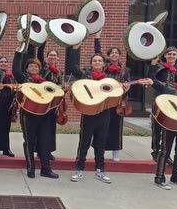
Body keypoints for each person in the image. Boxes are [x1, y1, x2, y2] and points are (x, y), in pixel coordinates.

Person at [66, 34, 113, 184]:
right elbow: (73, 66)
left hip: (104, 114)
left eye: (100, 60)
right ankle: (79, 169)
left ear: (104, 63)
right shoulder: (85, 75)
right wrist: (75, 48)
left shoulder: (110, 78)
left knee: (101, 144)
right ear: (91, 63)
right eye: (95, 60)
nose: (97, 62)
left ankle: (100, 170)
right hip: (88, 114)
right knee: (84, 143)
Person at [12, 46, 59, 180]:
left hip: (44, 115)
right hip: (28, 115)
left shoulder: (45, 82)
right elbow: (15, 69)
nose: (33, 67)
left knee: (44, 142)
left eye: (36, 66)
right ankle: (31, 167)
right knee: (29, 141)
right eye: (31, 66)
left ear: (40, 69)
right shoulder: (24, 79)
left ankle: (46, 169)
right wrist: (18, 52)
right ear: (26, 69)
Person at [94, 34, 131, 162]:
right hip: (104, 101)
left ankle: (116, 152)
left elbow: (128, 83)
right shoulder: (104, 67)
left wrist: (127, 88)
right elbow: (97, 53)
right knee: (103, 127)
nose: (114, 54)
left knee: (116, 127)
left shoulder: (125, 70)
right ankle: (101, 151)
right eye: (112, 53)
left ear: (120, 55)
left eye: (116, 53)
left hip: (118, 102)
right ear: (108, 56)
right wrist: (97, 38)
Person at [149, 46, 177, 164]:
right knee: (157, 128)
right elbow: (151, 79)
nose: (171, 56)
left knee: (170, 129)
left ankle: (166, 154)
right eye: (169, 54)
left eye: (174, 54)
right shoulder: (159, 68)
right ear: (165, 56)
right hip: (160, 101)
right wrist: (152, 65)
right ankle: (156, 152)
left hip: (175, 103)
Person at [37, 42, 63, 161]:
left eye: (54, 55)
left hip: (54, 103)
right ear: (47, 58)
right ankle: (40, 151)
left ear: (58, 58)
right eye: (50, 55)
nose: (52, 57)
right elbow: (39, 54)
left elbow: (60, 87)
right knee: (43, 127)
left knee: (51, 127)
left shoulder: (59, 72)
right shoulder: (44, 68)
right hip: (44, 102)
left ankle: (48, 151)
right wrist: (43, 40)